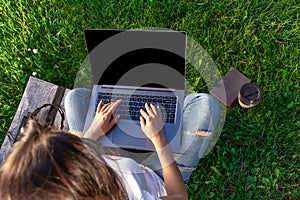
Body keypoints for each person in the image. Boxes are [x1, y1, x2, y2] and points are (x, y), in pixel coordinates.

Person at [0, 88, 220, 200]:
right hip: (157, 176)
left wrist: (94, 131)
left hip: (114, 159)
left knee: (76, 98)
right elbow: (179, 198)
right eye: (75, 148)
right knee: (205, 107)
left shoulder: (65, 187)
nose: (79, 144)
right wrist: (159, 139)